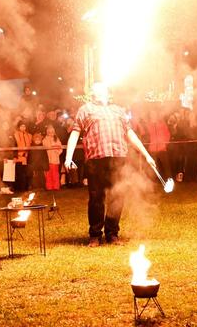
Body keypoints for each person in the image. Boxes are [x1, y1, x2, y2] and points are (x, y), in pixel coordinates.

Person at [64, 83, 157, 247]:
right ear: (92, 94)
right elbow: (75, 133)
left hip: (118, 158)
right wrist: (68, 157)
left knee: (117, 196)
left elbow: (130, 133)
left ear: (107, 93)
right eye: (94, 90)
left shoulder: (118, 110)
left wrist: (147, 155)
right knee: (96, 197)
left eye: (100, 89)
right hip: (96, 159)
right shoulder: (86, 109)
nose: (97, 91)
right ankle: (95, 235)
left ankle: (112, 233)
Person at [43, 125, 62, 190]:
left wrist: (57, 151)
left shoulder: (57, 139)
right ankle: (49, 187)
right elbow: (46, 146)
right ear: (47, 132)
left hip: (55, 159)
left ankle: (56, 186)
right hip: (47, 159)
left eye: (52, 132)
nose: (51, 133)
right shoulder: (45, 139)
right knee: (48, 174)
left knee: (55, 174)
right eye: (49, 132)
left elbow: (60, 148)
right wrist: (53, 146)